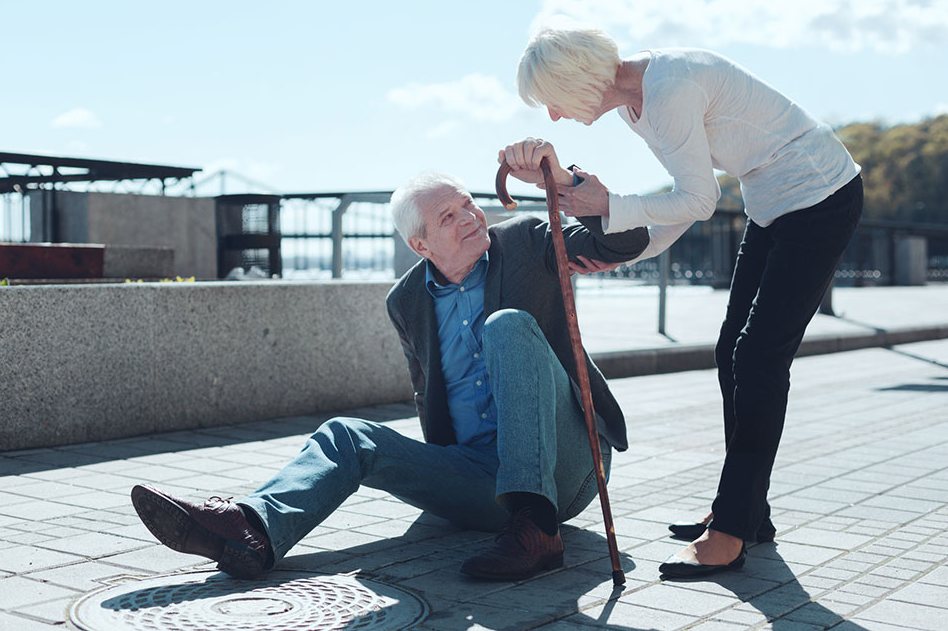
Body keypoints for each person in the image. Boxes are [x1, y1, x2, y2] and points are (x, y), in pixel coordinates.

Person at [131, 171, 648, 581]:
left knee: (507, 326)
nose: (469, 216)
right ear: (422, 246)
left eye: (467, 202)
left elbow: (625, 244)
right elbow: (429, 398)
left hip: (570, 468)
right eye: (448, 216)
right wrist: (438, 473)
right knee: (346, 435)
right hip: (481, 481)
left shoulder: (528, 241)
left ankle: (538, 528)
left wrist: (572, 188)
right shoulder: (405, 301)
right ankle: (254, 531)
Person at [502, 27, 863, 578]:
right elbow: (685, 199)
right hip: (773, 203)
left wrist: (613, 205)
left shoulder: (668, 90)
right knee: (731, 352)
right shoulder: (637, 102)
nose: (554, 116)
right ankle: (747, 512)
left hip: (820, 196)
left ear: (578, 80)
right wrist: (629, 246)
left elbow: (698, 200)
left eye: (554, 98)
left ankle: (732, 531)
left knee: (758, 359)